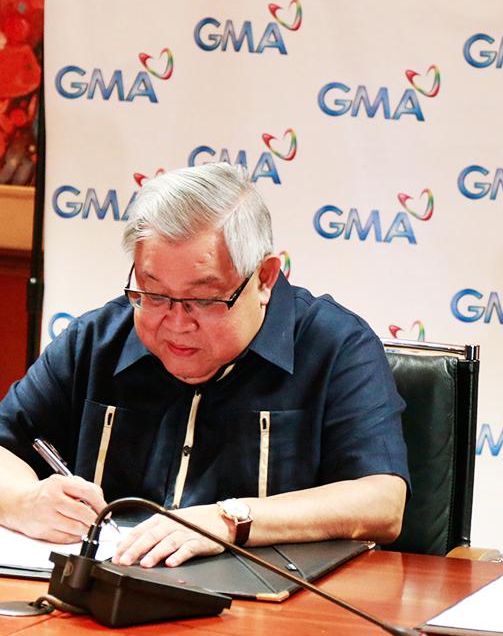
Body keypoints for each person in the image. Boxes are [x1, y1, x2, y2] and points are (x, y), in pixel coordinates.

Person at [0, 162, 409, 567]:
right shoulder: (96, 341)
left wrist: (228, 520)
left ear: (264, 279)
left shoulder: (336, 346)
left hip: (264, 600)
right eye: (154, 295)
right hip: (108, 590)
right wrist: (24, 501)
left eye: (203, 300)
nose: (177, 324)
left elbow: (382, 502)